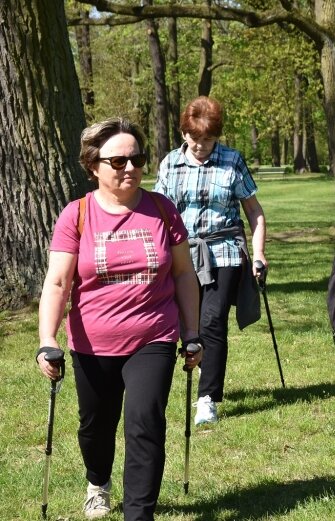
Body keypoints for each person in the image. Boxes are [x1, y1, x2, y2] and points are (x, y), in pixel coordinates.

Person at [36, 117, 202, 520]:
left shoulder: (162, 210)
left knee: (144, 422)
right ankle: (98, 480)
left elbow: (183, 274)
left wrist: (193, 333)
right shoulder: (76, 215)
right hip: (92, 342)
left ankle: (138, 514)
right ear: (94, 166)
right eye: (118, 161)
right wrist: (48, 340)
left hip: (154, 336)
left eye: (138, 159)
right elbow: (58, 283)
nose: (130, 168)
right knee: (95, 427)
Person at [155, 96, 266, 426]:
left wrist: (258, 254)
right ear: (184, 133)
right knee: (187, 324)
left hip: (224, 251)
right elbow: (159, 212)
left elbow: (255, 212)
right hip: (183, 254)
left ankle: (207, 398)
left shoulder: (232, 161)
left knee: (213, 321)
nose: (201, 145)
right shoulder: (170, 164)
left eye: (208, 139)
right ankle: (207, 361)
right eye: (195, 138)